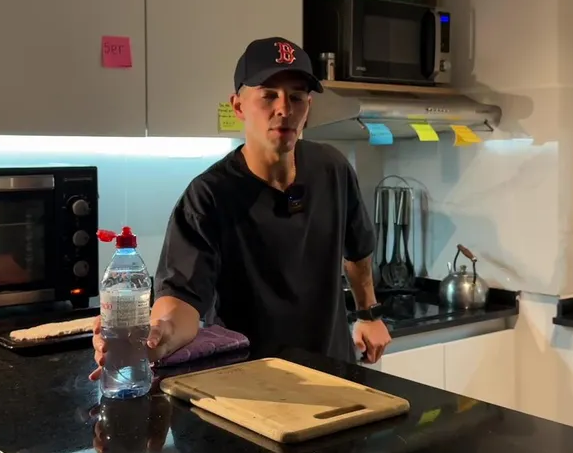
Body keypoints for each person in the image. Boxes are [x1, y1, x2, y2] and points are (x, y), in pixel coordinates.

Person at [89, 36, 392, 380]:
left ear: (308, 107)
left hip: (332, 369)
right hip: (247, 381)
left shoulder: (333, 169)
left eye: (296, 97)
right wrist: (157, 335)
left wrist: (368, 313)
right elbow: (181, 300)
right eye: (268, 95)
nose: (284, 109)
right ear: (238, 106)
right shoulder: (209, 196)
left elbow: (358, 249)